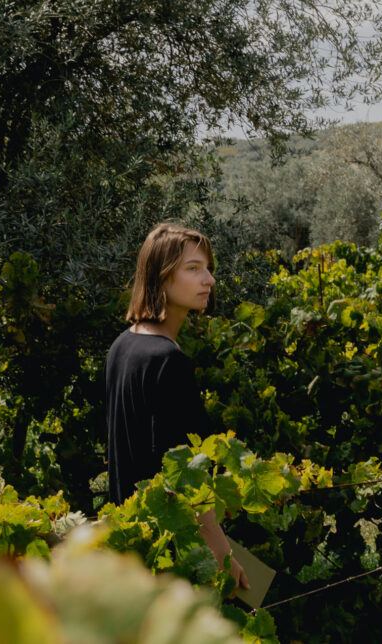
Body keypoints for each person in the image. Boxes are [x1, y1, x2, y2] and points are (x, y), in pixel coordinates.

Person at [104, 222, 249, 591]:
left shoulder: (121, 346)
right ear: (161, 278)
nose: (210, 280)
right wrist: (221, 551)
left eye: (208, 268)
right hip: (174, 551)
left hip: (134, 544)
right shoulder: (168, 361)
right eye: (194, 269)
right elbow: (184, 474)